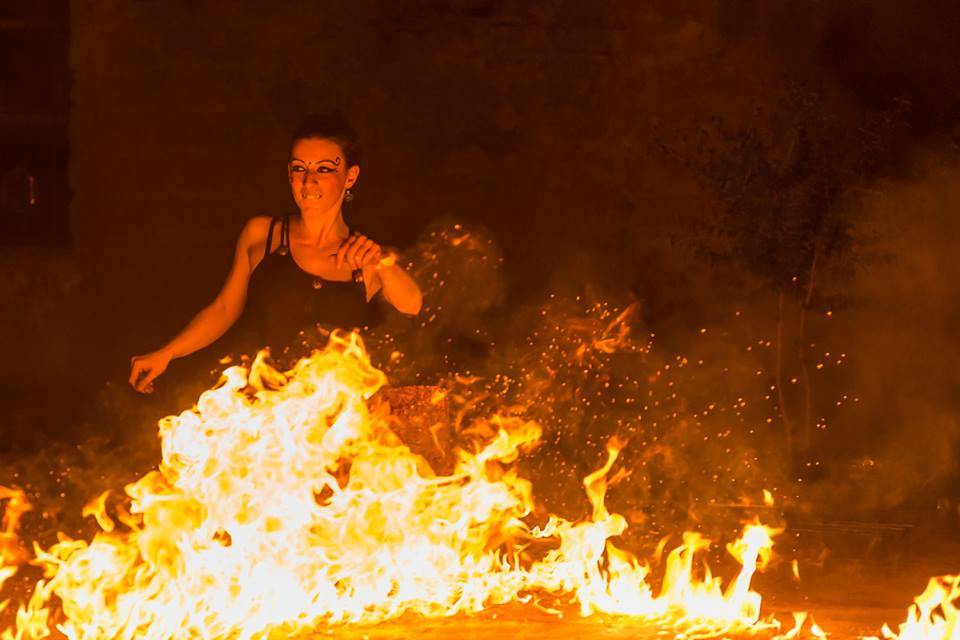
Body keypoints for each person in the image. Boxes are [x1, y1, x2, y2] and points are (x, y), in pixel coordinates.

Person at [129, 113, 422, 394]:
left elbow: (412, 304)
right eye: (299, 168)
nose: (309, 181)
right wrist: (167, 353)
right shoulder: (262, 235)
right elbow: (224, 309)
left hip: (335, 428)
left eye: (324, 169)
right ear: (289, 174)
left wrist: (382, 262)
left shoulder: (367, 256)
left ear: (350, 176)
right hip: (265, 418)